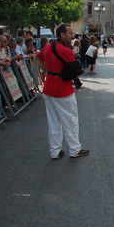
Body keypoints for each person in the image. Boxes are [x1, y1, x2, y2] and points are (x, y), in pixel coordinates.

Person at [34, 24, 90, 160]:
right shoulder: (64, 50)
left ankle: (55, 150)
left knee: (53, 121)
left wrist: (48, 71)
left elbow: (36, 58)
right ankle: (74, 148)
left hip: (49, 87)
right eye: (70, 33)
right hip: (62, 88)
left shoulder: (48, 47)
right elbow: (76, 70)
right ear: (62, 35)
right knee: (70, 120)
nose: (72, 35)